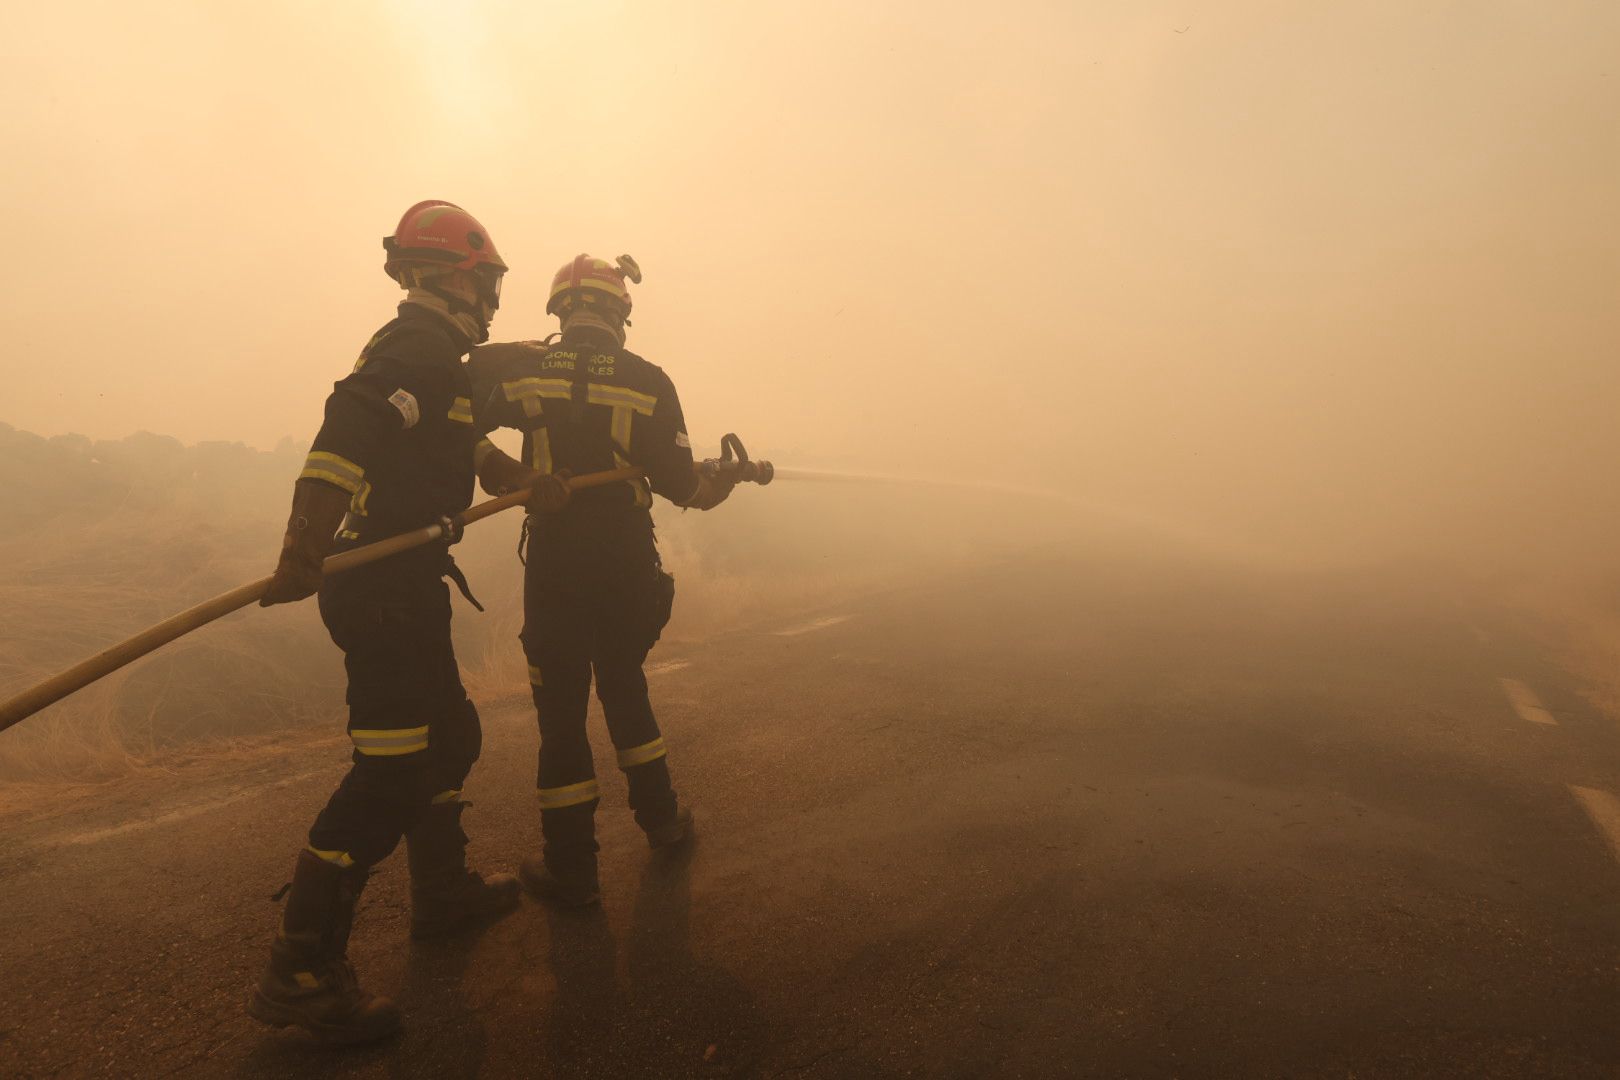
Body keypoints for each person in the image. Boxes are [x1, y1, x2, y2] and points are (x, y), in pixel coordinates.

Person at [246, 201, 520, 1044]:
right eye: (490, 282)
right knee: (389, 775)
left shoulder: (437, 358)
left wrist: (505, 472)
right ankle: (300, 973)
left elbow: (443, 438)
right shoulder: (419, 345)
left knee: (451, 739)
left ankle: (441, 896)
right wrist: (304, 545)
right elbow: (349, 430)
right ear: (458, 276)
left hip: (406, 583)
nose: (494, 301)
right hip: (379, 592)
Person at [470, 253, 733, 908]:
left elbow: (459, 424)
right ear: (621, 312)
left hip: (558, 564)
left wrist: (508, 473)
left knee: (560, 714)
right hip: (624, 562)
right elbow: (684, 487)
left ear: (561, 309)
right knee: (624, 686)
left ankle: (571, 867)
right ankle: (664, 821)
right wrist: (721, 482)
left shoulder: (523, 365)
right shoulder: (648, 380)